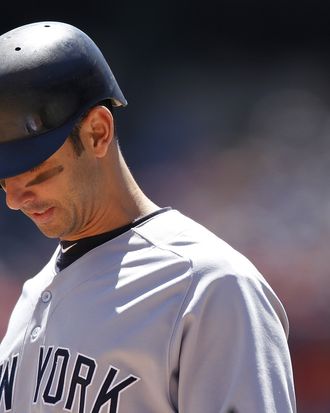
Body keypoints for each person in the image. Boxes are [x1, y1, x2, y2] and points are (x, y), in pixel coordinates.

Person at [0, 21, 296, 413]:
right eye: (4, 181)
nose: (15, 201)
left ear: (97, 133)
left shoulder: (209, 285)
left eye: (37, 173)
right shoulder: (33, 294)